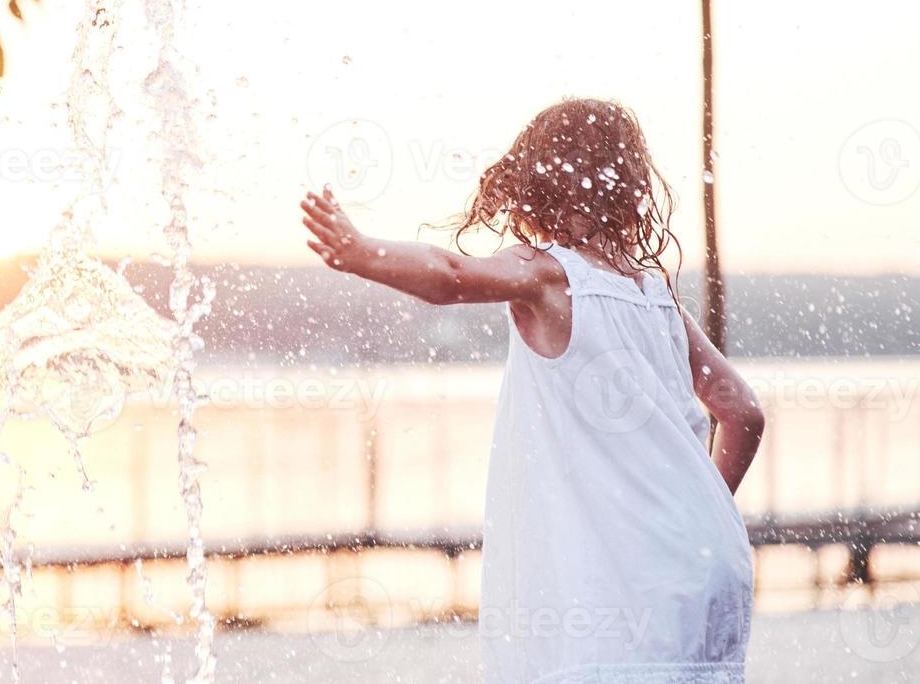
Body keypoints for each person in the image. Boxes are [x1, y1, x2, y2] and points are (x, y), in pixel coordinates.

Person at [301, 96, 764, 683]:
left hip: (620, 593)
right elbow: (743, 412)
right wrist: (697, 513)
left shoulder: (551, 274)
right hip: (708, 566)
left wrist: (362, 253)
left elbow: (451, 276)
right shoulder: (657, 295)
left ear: (539, 182)